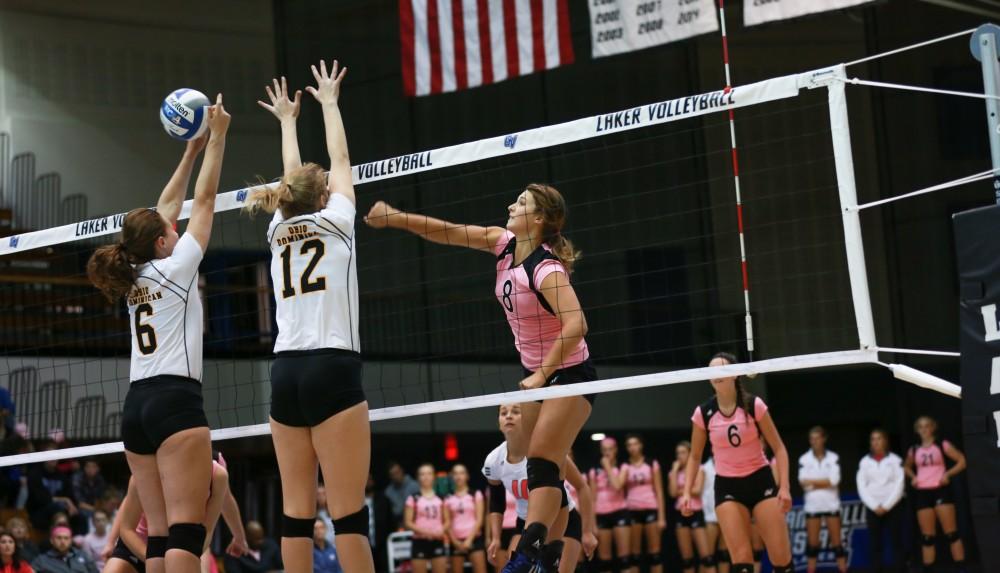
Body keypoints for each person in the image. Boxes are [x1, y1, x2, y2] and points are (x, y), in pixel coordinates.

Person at [367, 183, 595, 573]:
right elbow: (449, 231)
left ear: (538, 219)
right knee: (546, 469)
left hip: (568, 373)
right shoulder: (503, 243)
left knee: (541, 462)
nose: (510, 203)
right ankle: (546, 554)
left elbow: (577, 323)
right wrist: (396, 218)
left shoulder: (546, 268)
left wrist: (543, 373)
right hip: (535, 375)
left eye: (521, 202)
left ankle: (527, 552)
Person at [86, 94, 230, 573]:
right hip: (175, 402)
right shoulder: (179, 267)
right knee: (186, 533)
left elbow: (163, 211)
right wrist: (218, 139)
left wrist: (189, 150)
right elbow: (204, 201)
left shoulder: (131, 279)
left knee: (160, 537)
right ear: (163, 241)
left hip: (137, 410)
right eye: (168, 230)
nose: (174, 228)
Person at [246, 64, 373, 573]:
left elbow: (292, 180)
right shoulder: (338, 221)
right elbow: (340, 157)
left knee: (295, 515)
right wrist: (329, 103)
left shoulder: (279, 231)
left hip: (285, 373)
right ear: (322, 198)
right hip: (332, 366)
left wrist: (286, 122)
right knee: (348, 517)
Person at [680, 352, 794, 573]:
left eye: (722, 369)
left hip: (761, 481)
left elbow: (779, 448)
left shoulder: (754, 405)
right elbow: (695, 457)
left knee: (781, 559)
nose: (717, 374)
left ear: (734, 375)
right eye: (712, 371)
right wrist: (686, 492)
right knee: (741, 561)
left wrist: (785, 487)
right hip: (727, 486)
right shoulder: (703, 413)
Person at [483, 404, 597, 573]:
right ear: (499, 423)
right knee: (516, 568)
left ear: (528, 420)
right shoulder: (493, 461)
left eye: (516, 412)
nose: (508, 416)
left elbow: (582, 486)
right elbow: (497, 503)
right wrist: (496, 538)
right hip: (526, 522)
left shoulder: (548, 451)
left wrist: (587, 531)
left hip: (563, 519)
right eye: (503, 413)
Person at [103, 452, 248, 573]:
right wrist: (111, 542)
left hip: (184, 542)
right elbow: (127, 518)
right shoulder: (147, 468)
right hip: (140, 544)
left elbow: (224, 505)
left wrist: (239, 537)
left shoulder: (215, 472)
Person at [904, 416, 967, 572]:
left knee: (951, 533)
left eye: (927, 426)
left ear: (933, 427)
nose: (924, 429)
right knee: (927, 537)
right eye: (920, 427)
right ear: (917, 430)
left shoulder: (941, 445)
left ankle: (961, 568)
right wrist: (913, 478)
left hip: (940, 489)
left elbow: (962, 461)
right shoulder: (914, 449)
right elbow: (906, 466)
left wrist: (947, 474)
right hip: (923, 492)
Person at [857, 428, 905, 573]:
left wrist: (887, 505)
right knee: (875, 543)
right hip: (873, 508)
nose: (876, 442)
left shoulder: (895, 460)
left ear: (885, 441)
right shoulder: (865, 462)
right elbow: (861, 486)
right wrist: (874, 506)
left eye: (879, 438)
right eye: (873, 439)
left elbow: (899, 484)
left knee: (897, 541)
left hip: (893, 506)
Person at [798, 426, 846, 573]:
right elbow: (803, 483)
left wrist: (813, 482)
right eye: (812, 439)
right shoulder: (804, 459)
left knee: (837, 544)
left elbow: (835, 480)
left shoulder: (833, 458)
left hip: (831, 505)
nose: (814, 441)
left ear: (824, 439)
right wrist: (825, 482)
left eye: (817, 438)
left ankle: (843, 569)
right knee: (812, 546)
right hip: (813, 506)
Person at [669, 441, 715, 573]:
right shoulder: (674, 473)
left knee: (707, 558)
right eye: (678, 453)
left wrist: (682, 490)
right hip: (680, 513)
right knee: (687, 560)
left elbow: (697, 490)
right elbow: (672, 492)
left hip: (696, 512)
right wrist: (674, 471)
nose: (679, 456)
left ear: (689, 454)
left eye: (683, 452)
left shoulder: (699, 469)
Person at [588, 437, 632, 573]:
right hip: (601, 514)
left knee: (624, 559)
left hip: (620, 511)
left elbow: (618, 485)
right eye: (604, 450)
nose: (607, 453)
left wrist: (607, 467)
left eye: (610, 449)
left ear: (616, 450)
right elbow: (592, 499)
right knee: (605, 562)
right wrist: (593, 524)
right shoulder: (594, 472)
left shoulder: (623, 467)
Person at [623, 434, 665, 573]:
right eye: (629, 445)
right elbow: (619, 487)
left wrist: (661, 517)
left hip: (650, 508)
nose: (632, 447)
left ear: (641, 445)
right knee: (634, 554)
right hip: (633, 509)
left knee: (655, 554)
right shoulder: (625, 466)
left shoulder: (651, 463)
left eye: (635, 444)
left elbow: (659, 490)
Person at [26, 441, 82, 535]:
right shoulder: (35, 474)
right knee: (57, 507)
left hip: (61, 510)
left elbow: (71, 496)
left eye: (55, 455)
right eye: (50, 455)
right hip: (38, 512)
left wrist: (72, 506)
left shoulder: (62, 476)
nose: (53, 458)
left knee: (81, 516)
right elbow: (40, 499)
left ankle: (77, 541)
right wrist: (65, 500)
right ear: (43, 457)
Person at [404, 464, 447, 573]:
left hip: (437, 540)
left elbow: (448, 520)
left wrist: (442, 530)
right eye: (422, 474)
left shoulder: (441, 497)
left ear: (434, 477)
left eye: (429, 473)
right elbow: (408, 522)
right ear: (418, 477)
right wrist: (428, 532)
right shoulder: (413, 498)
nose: (426, 477)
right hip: (419, 541)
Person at [444, 465, 486, 573]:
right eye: (456, 473)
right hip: (455, 542)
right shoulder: (448, 498)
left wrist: (468, 541)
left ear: (467, 476)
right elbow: (446, 522)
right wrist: (455, 541)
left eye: (462, 473)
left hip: (474, 539)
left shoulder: (475, 494)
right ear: (452, 477)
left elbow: (480, 519)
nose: (459, 476)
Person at [702, 457, 729, 573]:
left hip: (727, 515)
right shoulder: (704, 468)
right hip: (709, 516)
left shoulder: (730, 465)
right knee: (708, 557)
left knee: (724, 555)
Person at [31, 526, 98, 573]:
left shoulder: (83, 555)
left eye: (66, 538)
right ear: (52, 540)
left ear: (71, 540)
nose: (63, 542)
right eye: (59, 538)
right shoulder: (42, 560)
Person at [384, 463, 420, 530]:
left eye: (397, 472)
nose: (396, 476)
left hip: (416, 524)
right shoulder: (388, 492)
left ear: (402, 471)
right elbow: (390, 514)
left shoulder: (415, 486)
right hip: (398, 526)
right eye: (393, 474)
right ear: (390, 477)